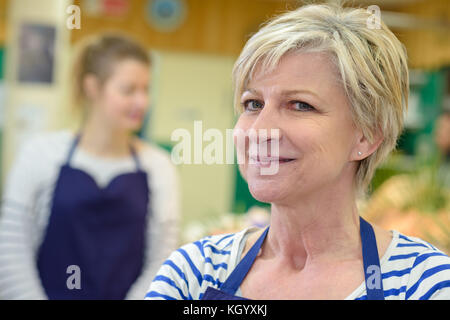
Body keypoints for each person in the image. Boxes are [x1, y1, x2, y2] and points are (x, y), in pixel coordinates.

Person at [145, 3, 450, 300]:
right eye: (253, 104)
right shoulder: (195, 273)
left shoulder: (423, 283)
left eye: (300, 105)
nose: (260, 131)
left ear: (366, 137)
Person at [0, 34, 180, 299]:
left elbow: (163, 259)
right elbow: (12, 249)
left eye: (146, 89)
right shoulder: (40, 154)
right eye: (128, 90)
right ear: (92, 87)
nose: (142, 102)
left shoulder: (159, 167)